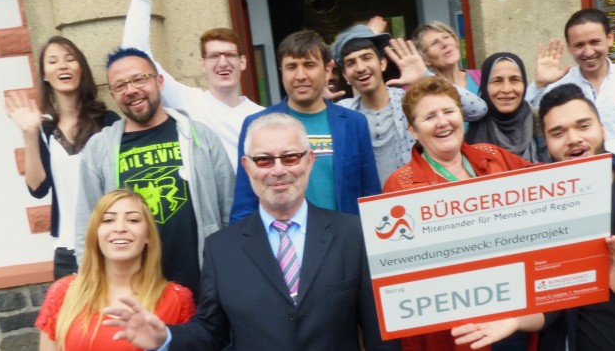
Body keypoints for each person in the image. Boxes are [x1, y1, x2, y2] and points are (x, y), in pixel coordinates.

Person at [103, 113, 400, 351]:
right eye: (264, 160)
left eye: (290, 157)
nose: (278, 170)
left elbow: (379, 335)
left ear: (309, 160)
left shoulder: (352, 235)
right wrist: (165, 338)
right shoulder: (221, 250)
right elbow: (211, 331)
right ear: (247, 167)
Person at [452, 84, 615, 351]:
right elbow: (552, 301)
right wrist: (515, 319)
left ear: (602, 129)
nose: (573, 139)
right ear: (547, 145)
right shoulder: (540, 204)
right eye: (558, 133)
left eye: (583, 126)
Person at [383, 76, 536, 351]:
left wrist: (610, 168)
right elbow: (401, 274)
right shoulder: (399, 186)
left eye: (449, 111)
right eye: (429, 116)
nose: (442, 122)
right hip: (456, 326)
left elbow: (549, 188)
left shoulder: (494, 156)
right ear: (413, 130)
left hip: (514, 312)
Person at [75, 47, 235, 299]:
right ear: (114, 95)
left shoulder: (200, 136)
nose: (131, 90)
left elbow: (230, 209)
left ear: (159, 81)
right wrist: (92, 288)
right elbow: (87, 226)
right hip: (134, 297)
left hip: (204, 288)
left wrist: (230, 276)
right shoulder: (99, 150)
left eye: (139, 79)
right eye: (120, 85)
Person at [122, 0, 262, 172]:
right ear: (202, 65)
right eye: (214, 56)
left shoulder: (263, 117)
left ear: (243, 62)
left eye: (230, 55)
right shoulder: (187, 102)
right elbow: (134, 54)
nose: (223, 62)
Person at [229, 30, 381, 223]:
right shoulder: (257, 125)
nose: (300, 75)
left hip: (345, 243)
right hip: (283, 245)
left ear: (328, 70)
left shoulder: (354, 123)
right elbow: (245, 204)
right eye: (291, 67)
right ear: (281, 71)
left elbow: (371, 196)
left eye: (309, 65)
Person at [5, 36, 119, 279]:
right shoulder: (44, 129)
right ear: (45, 74)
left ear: (82, 70)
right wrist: (29, 134)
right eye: (53, 61)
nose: (63, 66)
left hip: (112, 243)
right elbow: (37, 188)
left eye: (70, 59)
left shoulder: (109, 123)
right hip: (67, 250)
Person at [36, 189, 194, 351]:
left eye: (133, 220)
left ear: (148, 235)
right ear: (95, 234)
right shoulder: (64, 292)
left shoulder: (177, 299)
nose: (120, 228)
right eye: (108, 220)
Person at [331, 24, 488, 185]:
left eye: (367, 58)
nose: (361, 68)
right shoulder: (342, 112)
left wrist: (425, 76)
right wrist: (312, 101)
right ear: (345, 76)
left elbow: (478, 109)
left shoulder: (410, 101)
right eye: (351, 63)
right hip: (369, 206)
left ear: (383, 64)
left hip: (417, 198)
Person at [525, 8, 615, 164]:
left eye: (595, 42)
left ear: (610, 38)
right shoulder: (560, 84)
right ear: (569, 47)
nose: (588, 52)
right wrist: (539, 84)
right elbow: (523, 117)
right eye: (579, 45)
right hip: (580, 178)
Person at [465, 52, 548, 163]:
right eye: (497, 81)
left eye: (515, 80)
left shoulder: (540, 122)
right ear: (485, 86)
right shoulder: (472, 132)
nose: (507, 89)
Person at [412, 21, 481, 94]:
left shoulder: (483, 77)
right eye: (434, 43)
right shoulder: (422, 91)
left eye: (446, 37)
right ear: (425, 60)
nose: (444, 44)